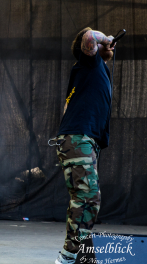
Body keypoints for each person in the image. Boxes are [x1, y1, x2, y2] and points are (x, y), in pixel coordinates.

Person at [53, 28, 115, 264]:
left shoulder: (96, 68)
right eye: (102, 43)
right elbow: (90, 36)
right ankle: (69, 257)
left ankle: (83, 256)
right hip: (78, 138)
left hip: (81, 139)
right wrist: (105, 39)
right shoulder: (87, 62)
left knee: (86, 197)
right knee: (88, 195)